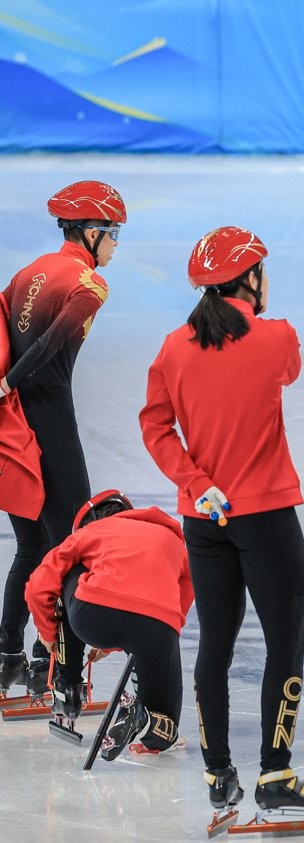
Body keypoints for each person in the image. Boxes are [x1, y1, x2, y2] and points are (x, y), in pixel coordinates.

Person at [139, 226, 304, 821]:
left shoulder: (173, 347)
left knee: (214, 647)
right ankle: (275, 773)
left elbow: (154, 426)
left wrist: (196, 484)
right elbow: (293, 370)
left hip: (205, 517)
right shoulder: (275, 337)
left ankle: (217, 771)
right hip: (267, 514)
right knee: (286, 641)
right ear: (249, 278)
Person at [0, 181, 127, 698]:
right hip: (51, 425)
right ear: (92, 232)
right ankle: (50, 664)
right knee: (72, 544)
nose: (117, 243)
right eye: (114, 233)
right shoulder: (89, 285)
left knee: (31, 545)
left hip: (10, 430)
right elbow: (50, 348)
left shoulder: (26, 273)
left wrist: (6, 388)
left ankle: (7, 653)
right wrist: (11, 380)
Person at [24, 489, 193, 759]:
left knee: (69, 572)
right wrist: (145, 640)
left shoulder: (88, 534)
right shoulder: (170, 537)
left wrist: (47, 633)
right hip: (159, 628)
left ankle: (68, 687)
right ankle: (148, 723)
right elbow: (183, 594)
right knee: (166, 725)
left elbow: (37, 587)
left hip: (95, 617)